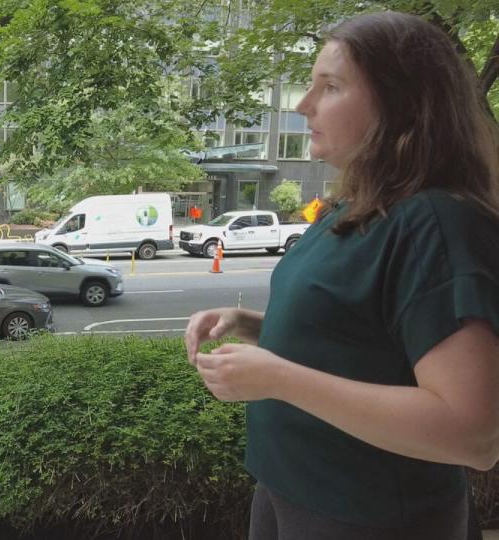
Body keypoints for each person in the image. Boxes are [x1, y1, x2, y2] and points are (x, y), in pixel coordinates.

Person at [184, 12, 499, 540]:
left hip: (368, 514)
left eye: (329, 87)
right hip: (291, 490)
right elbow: (364, 339)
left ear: (402, 104)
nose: (305, 105)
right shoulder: (357, 205)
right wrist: (252, 324)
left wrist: (277, 378)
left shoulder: (437, 222)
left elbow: (472, 434)